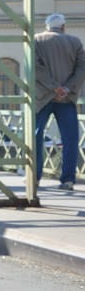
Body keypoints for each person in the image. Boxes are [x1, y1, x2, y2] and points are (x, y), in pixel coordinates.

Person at [35, 13, 85, 191]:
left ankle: (35, 177)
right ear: (63, 27)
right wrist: (66, 88)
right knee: (71, 138)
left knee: (36, 136)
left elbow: (35, 67)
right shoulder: (75, 42)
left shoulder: (37, 40)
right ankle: (68, 179)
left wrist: (53, 87)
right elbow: (81, 68)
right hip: (67, 98)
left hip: (42, 97)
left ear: (47, 26)